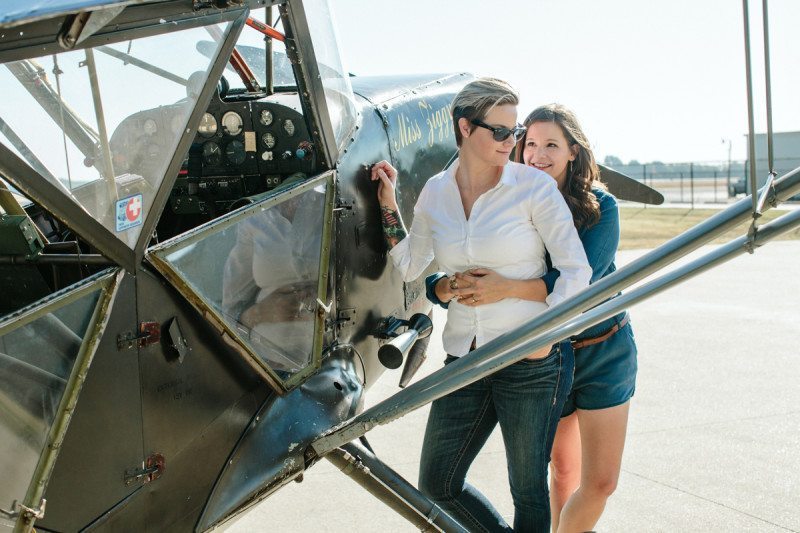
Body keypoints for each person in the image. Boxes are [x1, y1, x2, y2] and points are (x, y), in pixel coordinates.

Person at [370, 78, 591, 533]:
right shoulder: (435, 192)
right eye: (502, 132)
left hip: (528, 360)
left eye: (516, 131)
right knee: (436, 483)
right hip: (463, 358)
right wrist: (388, 204)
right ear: (466, 128)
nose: (513, 143)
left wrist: (545, 338)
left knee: (527, 489)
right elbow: (411, 264)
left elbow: (576, 271)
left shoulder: (533, 189)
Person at [426, 103, 638, 532]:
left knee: (600, 482)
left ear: (573, 151)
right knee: (560, 473)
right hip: (545, 356)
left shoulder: (601, 207)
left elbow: (579, 283)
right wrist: (451, 287)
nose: (538, 155)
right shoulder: (511, 199)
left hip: (601, 350)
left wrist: (504, 287)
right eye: (531, 144)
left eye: (552, 145)